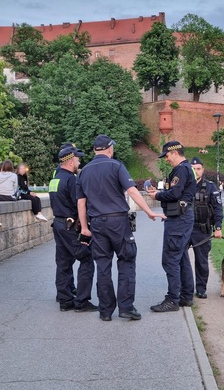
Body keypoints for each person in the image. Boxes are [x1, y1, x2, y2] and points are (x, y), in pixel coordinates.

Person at [76, 134, 165, 322]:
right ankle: (126, 307)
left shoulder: (83, 172)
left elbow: (81, 202)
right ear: (109, 149)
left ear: (94, 151)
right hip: (118, 222)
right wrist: (149, 211)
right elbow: (132, 191)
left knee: (102, 265)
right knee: (126, 260)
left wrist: (84, 227)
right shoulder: (116, 166)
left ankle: (105, 311)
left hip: (97, 223)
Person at [147, 141, 196, 311]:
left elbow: (175, 193)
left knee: (170, 260)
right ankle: (186, 296)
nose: (166, 159)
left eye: (166, 156)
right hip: (181, 218)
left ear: (175, 153)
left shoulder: (182, 169)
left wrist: (157, 195)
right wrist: (159, 192)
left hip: (178, 220)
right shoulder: (185, 169)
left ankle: (173, 299)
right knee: (181, 258)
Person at [49, 146, 97, 312]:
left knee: (63, 262)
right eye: (77, 159)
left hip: (59, 224)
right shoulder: (71, 180)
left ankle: (65, 300)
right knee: (86, 259)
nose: (79, 161)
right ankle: (82, 301)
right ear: (70, 161)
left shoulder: (55, 179)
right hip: (70, 226)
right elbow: (80, 204)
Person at [189, 157, 223, 298]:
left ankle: (201, 289)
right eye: (193, 169)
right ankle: (185, 288)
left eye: (198, 169)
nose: (196, 171)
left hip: (202, 230)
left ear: (202, 170)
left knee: (202, 262)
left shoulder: (210, 187)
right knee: (179, 259)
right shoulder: (184, 185)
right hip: (185, 229)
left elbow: (217, 208)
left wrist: (218, 227)